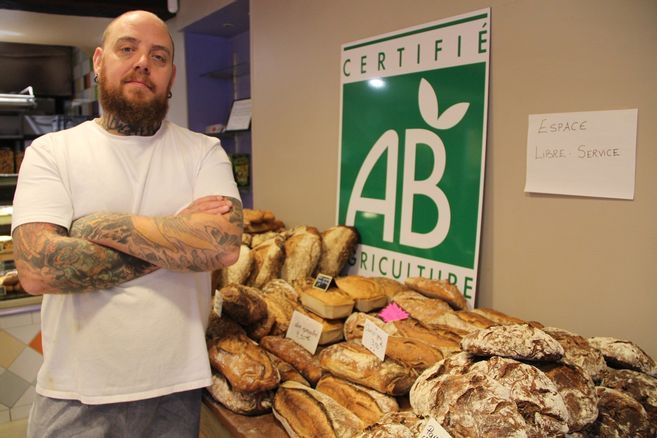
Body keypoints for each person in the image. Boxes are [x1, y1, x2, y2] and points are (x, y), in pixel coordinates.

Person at [11, 10, 243, 437]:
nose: (142, 63)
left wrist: (94, 225)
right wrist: (176, 236)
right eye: (127, 48)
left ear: (171, 75)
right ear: (99, 61)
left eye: (158, 56)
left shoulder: (204, 152)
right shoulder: (51, 152)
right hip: (75, 393)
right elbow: (37, 268)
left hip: (176, 391)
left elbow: (222, 247)